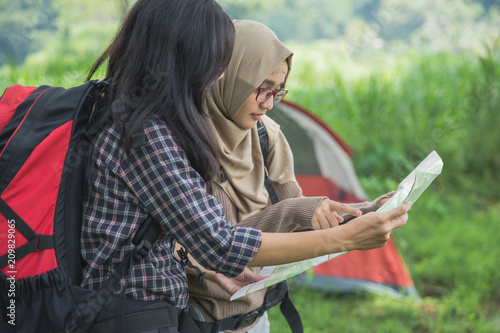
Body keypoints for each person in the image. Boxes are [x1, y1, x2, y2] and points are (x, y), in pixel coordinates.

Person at [81, 0, 410, 331]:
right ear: (183, 57)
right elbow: (219, 242)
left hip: (162, 313)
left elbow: (177, 235)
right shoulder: (148, 136)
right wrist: (344, 239)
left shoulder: (140, 120)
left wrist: (358, 216)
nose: (217, 72)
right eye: (214, 60)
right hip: (133, 316)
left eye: (277, 93)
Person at [186, 20, 399, 333]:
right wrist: (290, 214)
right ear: (231, 75)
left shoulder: (266, 136)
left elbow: (300, 216)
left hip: (256, 318)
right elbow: (206, 245)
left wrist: (363, 213)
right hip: (194, 321)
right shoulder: (182, 142)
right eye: (261, 90)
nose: (269, 104)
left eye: (278, 92)